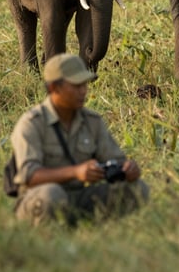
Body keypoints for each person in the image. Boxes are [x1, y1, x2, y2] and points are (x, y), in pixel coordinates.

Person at [10, 53, 149, 226]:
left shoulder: (92, 121)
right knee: (52, 194)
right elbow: (29, 176)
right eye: (76, 86)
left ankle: (100, 227)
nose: (83, 91)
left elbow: (116, 160)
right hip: (40, 198)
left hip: (80, 196)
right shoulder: (31, 123)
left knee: (137, 189)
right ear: (54, 88)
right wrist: (75, 172)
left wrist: (128, 170)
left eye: (84, 85)